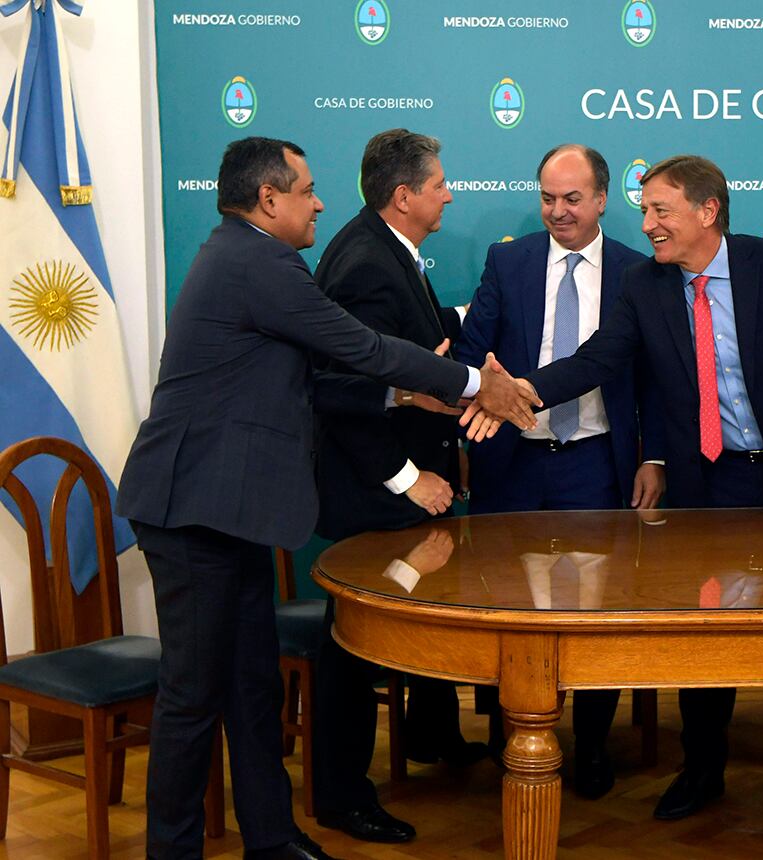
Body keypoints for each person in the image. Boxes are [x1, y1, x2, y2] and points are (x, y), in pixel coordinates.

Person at [116, 137, 537, 860]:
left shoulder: (256, 259)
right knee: (192, 699)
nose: (319, 201)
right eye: (307, 189)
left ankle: (272, 840)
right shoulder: (257, 262)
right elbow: (362, 347)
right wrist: (471, 384)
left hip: (231, 508)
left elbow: (315, 372)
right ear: (268, 200)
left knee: (252, 687)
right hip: (193, 509)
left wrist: (411, 390)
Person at [512, 154, 763, 821]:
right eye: (644, 210)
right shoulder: (645, 287)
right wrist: (527, 389)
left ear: (708, 211)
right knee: (708, 630)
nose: (646, 224)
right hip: (711, 480)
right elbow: (597, 361)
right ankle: (704, 767)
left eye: (660, 210)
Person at [454, 143, 662, 799]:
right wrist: (472, 374)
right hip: (512, 460)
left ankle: (594, 744)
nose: (558, 211)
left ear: (603, 199)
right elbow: (472, 349)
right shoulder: (507, 259)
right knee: (504, 606)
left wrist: (652, 454)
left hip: (595, 464)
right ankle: (505, 736)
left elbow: (657, 378)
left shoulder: (638, 271)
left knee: (596, 614)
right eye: (547, 197)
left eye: (572, 199)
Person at [309, 129, 489, 845]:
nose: (450, 192)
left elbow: (407, 348)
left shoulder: (389, 252)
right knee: (354, 644)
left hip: (402, 481)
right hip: (374, 490)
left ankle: (431, 737)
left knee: (424, 610)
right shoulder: (363, 264)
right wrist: (409, 481)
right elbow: (345, 390)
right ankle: (340, 795)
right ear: (404, 195)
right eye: (440, 182)